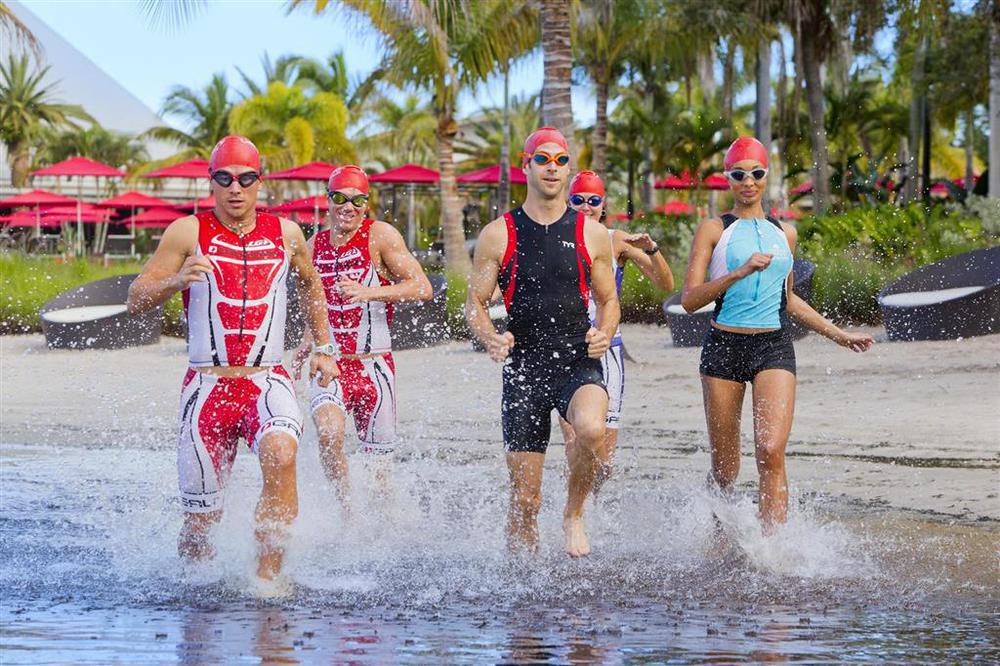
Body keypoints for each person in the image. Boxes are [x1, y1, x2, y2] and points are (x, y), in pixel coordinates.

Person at [127, 135, 339, 583]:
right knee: (201, 525)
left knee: (281, 454)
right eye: (224, 178)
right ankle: (196, 597)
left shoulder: (286, 233)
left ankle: (268, 579)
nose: (235, 188)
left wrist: (323, 347)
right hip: (207, 388)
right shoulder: (187, 232)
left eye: (245, 178)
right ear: (212, 182)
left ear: (259, 182)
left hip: (267, 379)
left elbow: (311, 284)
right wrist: (176, 281)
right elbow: (135, 298)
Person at [681, 136, 874, 532]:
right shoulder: (714, 229)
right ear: (727, 178)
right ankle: (717, 533)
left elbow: (788, 300)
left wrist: (840, 335)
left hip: (773, 346)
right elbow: (689, 300)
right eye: (739, 174)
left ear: (766, 177)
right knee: (726, 468)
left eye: (756, 173)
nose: (747, 181)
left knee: (770, 452)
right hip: (724, 348)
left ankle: (774, 549)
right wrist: (738, 272)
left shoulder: (784, 233)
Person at [465, 127, 621, 557]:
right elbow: (474, 303)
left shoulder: (593, 234)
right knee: (525, 503)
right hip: (524, 369)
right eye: (543, 159)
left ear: (569, 168)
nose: (552, 168)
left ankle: (573, 514)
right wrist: (490, 337)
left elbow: (609, 301)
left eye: (560, 160)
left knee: (591, 430)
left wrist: (604, 332)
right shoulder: (500, 233)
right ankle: (523, 603)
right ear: (525, 164)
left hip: (577, 356)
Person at [293, 165, 432, 513]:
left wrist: (370, 291)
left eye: (357, 200)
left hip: (375, 368)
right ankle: (346, 511)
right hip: (332, 366)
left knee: (379, 471)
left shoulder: (380, 236)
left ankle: (381, 529)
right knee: (328, 434)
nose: (348, 207)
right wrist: (307, 341)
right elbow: (315, 304)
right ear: (328, 201)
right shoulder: (312, 247)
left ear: (367, 204)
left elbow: (422, 287)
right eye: (340, 198)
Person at [558, 170, 675, 492]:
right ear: (568, 201)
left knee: (604, 459)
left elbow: (666, 284)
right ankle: (577, 514)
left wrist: (652, 249)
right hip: (567, 347)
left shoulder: (616, 240)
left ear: (603, 203)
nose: (586, 207)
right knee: (574, 443)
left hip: (607, 349)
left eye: (593, 201)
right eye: (578, 200)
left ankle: (594, 508)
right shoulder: (555, 236)